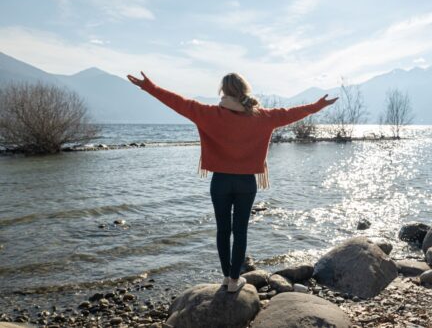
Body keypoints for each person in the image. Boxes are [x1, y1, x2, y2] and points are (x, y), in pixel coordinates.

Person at [127, 71, 337, 292]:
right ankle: (236, 280)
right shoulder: (262, 116)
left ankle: (227, 277)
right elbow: (291, 113)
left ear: (223, 91)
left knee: (222, 230)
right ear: (244, 89)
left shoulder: (208, 114)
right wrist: (316, 106)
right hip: (246, 183)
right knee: (240, 231)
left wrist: (150, 87)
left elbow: (178, 102)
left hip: (220, 182)